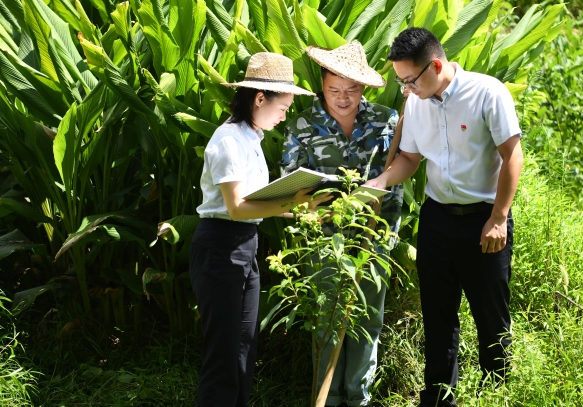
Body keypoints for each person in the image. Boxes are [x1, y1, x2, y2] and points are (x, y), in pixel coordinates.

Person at [365, 28, 524, 406]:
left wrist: (499, 217)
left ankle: (495, 397)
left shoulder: (487, 92)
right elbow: (409, 158)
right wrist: (381, 181)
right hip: (437, 219)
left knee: (491, 319)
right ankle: (437, 400)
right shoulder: (417, 101)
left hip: (484, 220)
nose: (405, 88)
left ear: (435, 65)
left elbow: (512, 155)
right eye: (400, 81)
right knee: (437, 319)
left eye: (409, 80)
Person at [189, 52, 331, 407]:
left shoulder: (252, 136)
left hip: (245, 244)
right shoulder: (228, 140)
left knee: (244, 346)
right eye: (283, 105)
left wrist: (302, 211)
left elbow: (256, 203)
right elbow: (236, 207)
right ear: (259, 98)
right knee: (223, 351)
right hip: (221, 246)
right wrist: (294, 203)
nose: (285, 114)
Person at [280, 41, 404, 407]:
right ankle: (327, 398)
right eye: (334, 90)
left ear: (363, 88)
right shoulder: (302, 125)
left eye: (351, 90)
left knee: (367, 320)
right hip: (323, 241)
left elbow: (396, 178)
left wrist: (382, 227)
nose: (343, 98)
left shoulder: (387, 121)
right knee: (326, 321)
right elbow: (290, 186)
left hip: (373, 240)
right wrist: (323, 212)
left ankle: (357, 398)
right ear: (322, 85)